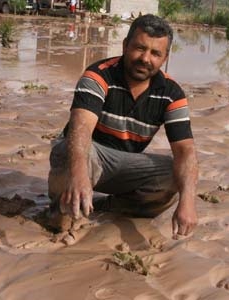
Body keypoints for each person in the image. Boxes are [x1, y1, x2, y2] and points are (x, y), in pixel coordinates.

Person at [47, 14, 198, 240]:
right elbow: (81, 129)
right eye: (139, 48)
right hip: (89, 154)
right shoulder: (98, 75)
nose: (145, 58)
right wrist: (78, 175)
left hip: (125, 164)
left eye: (155, 53)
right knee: (68, 152)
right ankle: (62, 210)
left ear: (165, 58)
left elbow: (185, 151)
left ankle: (110, 206)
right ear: (125, 45)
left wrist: (188, 202)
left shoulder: (172, 93)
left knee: (176, 174)